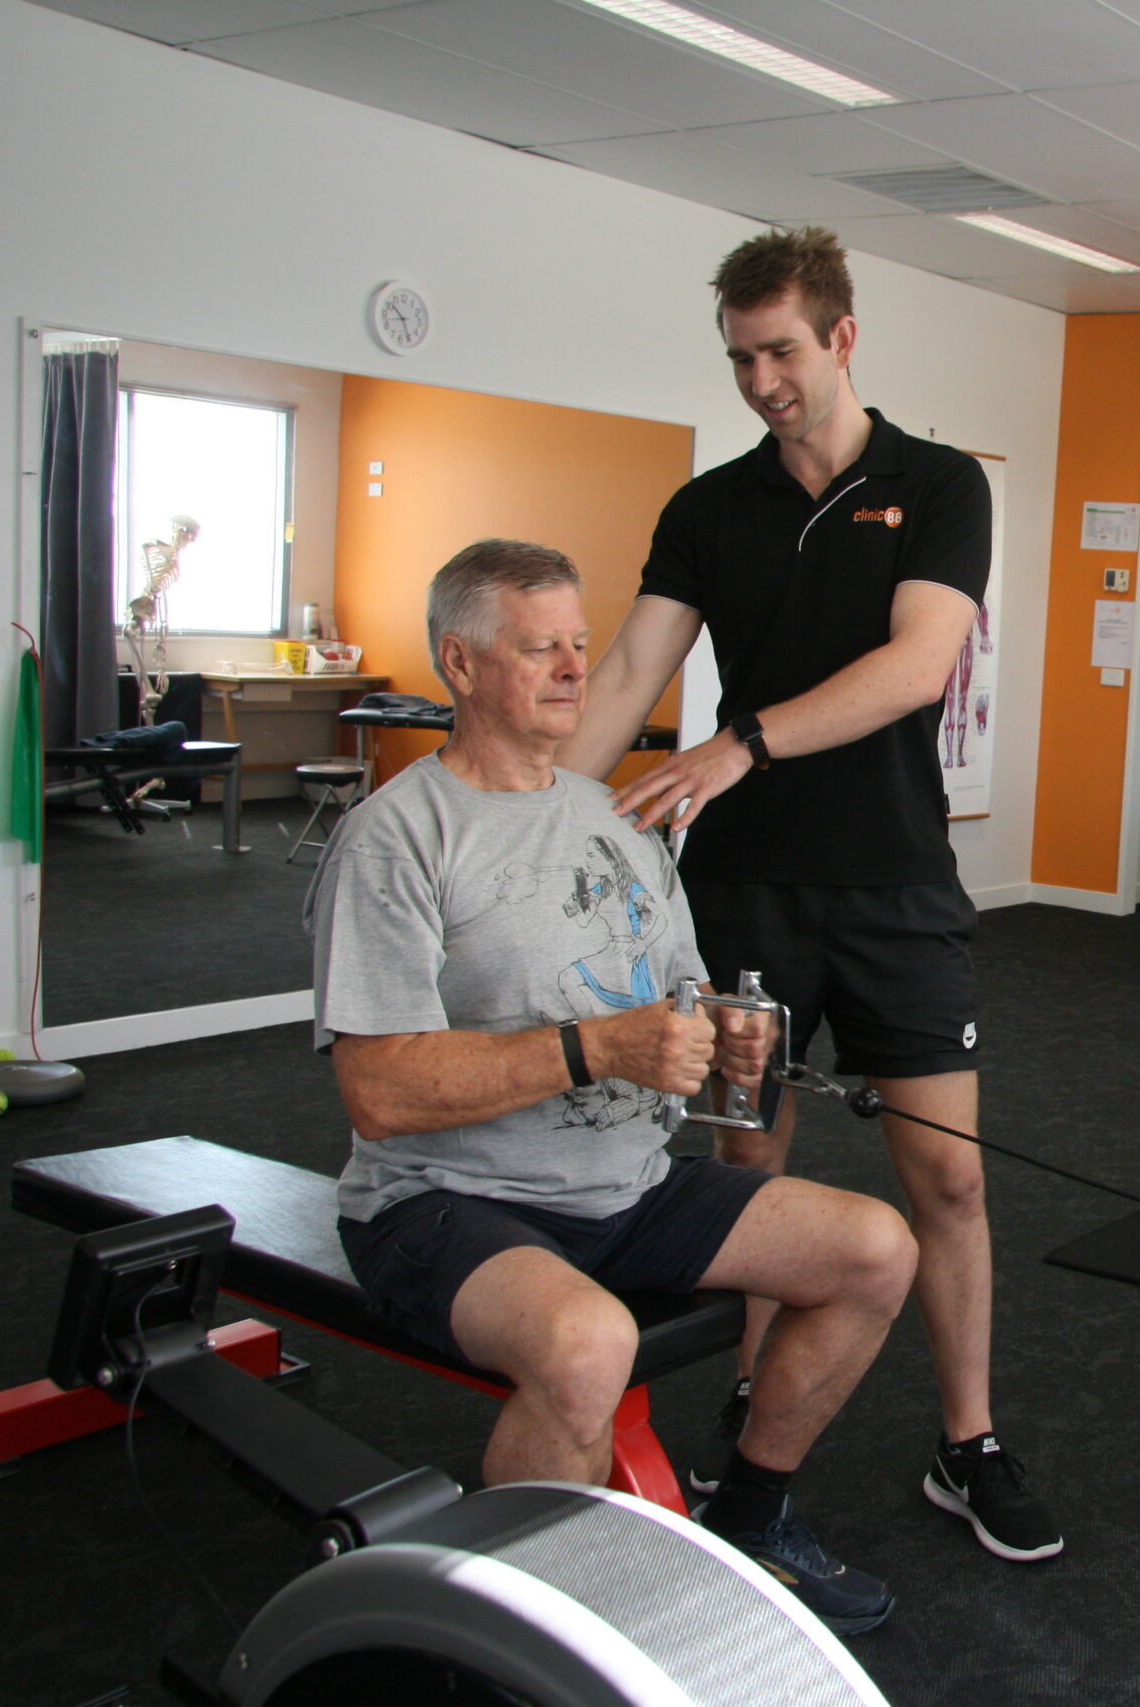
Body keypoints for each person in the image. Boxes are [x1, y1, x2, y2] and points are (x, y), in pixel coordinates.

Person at [561, 226, 1061, 1564]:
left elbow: (916, 666)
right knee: (750, 1169)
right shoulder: (708, 507)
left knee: (947, 1177)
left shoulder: (939, 483)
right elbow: (629, 673)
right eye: (740, 358)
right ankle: (752, 1401)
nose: (761, 381)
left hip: (897, 888)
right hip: (743, 892)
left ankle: (969, 1441)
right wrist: (524, 814)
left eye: (780, 351)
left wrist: (742, 741)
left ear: (843, 337)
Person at [309, 538, 918, 1633]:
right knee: (589, 1344)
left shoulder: (617, 818)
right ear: (460, 663)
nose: (572, 671)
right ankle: (512, 1634)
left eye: (579, 646)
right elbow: (381, 1092)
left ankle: (749, 1514)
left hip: (627, 1187)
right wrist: (598, 1047)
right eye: (537, 648)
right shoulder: (396, 838)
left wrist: (725, 1042)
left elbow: (680, 1005)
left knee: (874, 1249)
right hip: (444, 1202)